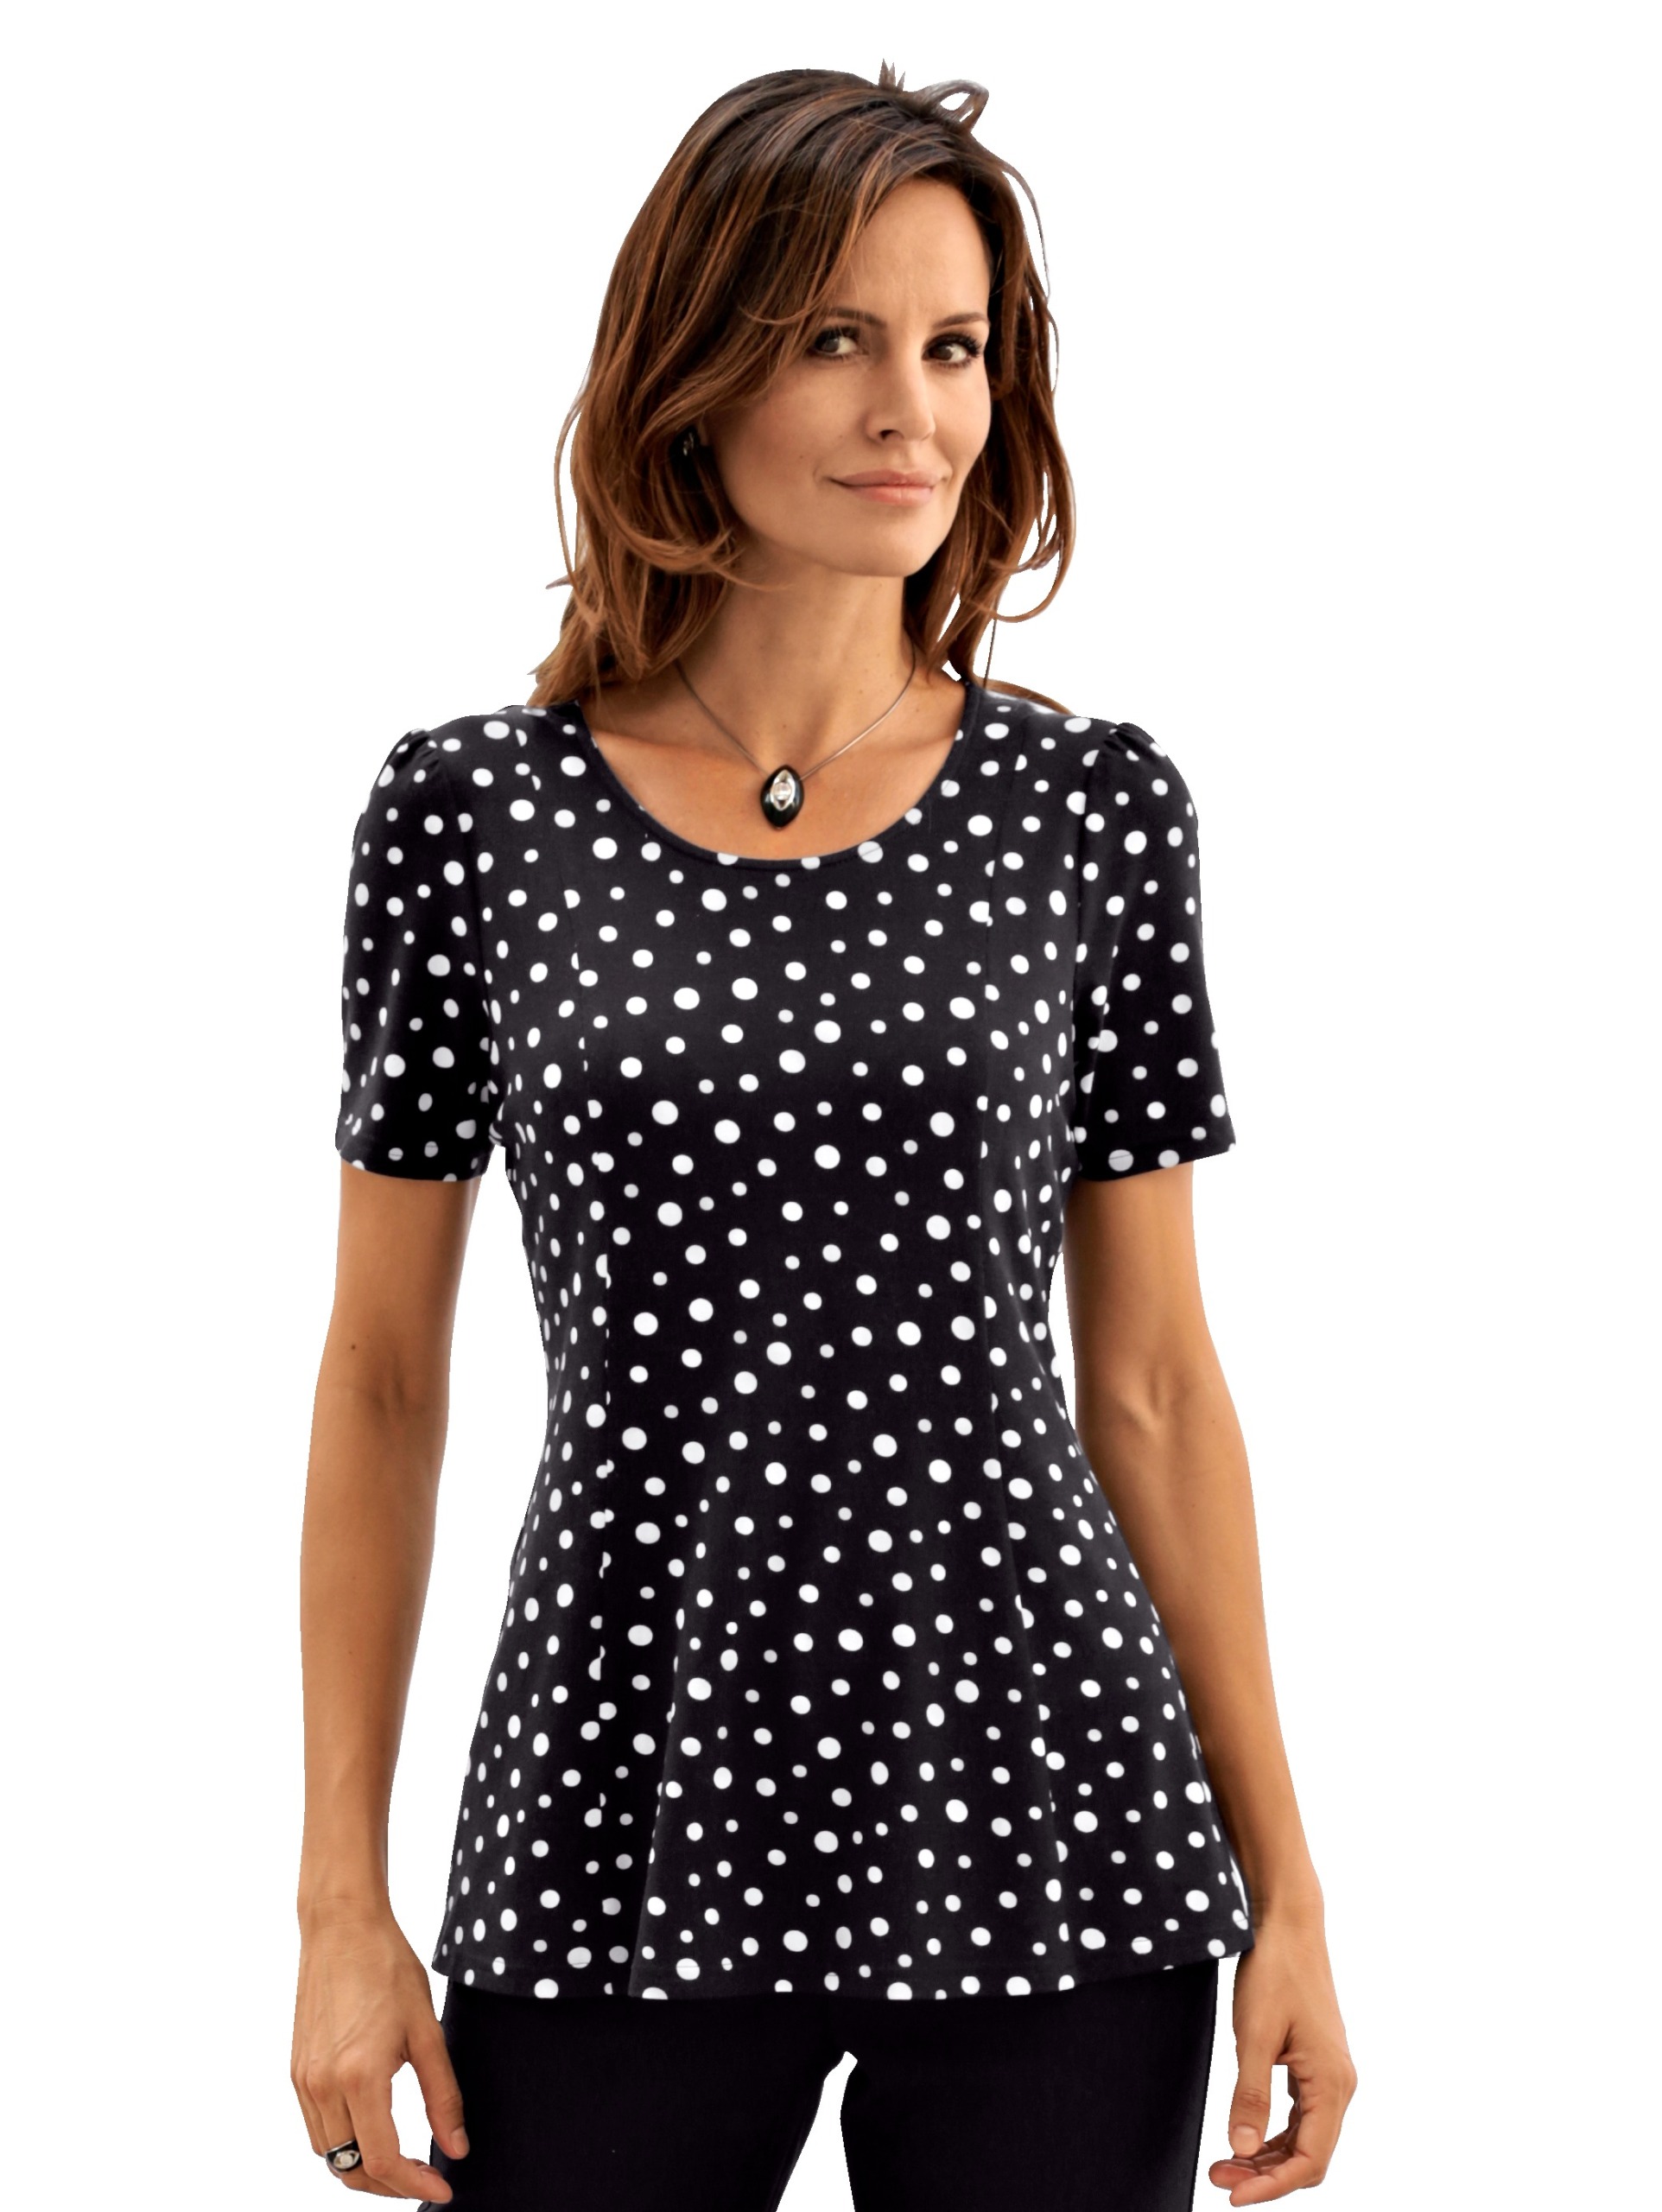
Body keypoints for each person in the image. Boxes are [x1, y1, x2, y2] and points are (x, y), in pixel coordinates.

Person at [291, 64, 1356, 2212]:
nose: (911, 412)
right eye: (836, 338)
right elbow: (386, 1374)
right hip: (615, 1810)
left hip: (1054, 1814)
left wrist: (1289, 1889)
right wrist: (339, 1894)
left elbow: (1151, 1381)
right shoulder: (470, 815)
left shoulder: (1089, 809)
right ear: (691, 375)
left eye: (955, 348)